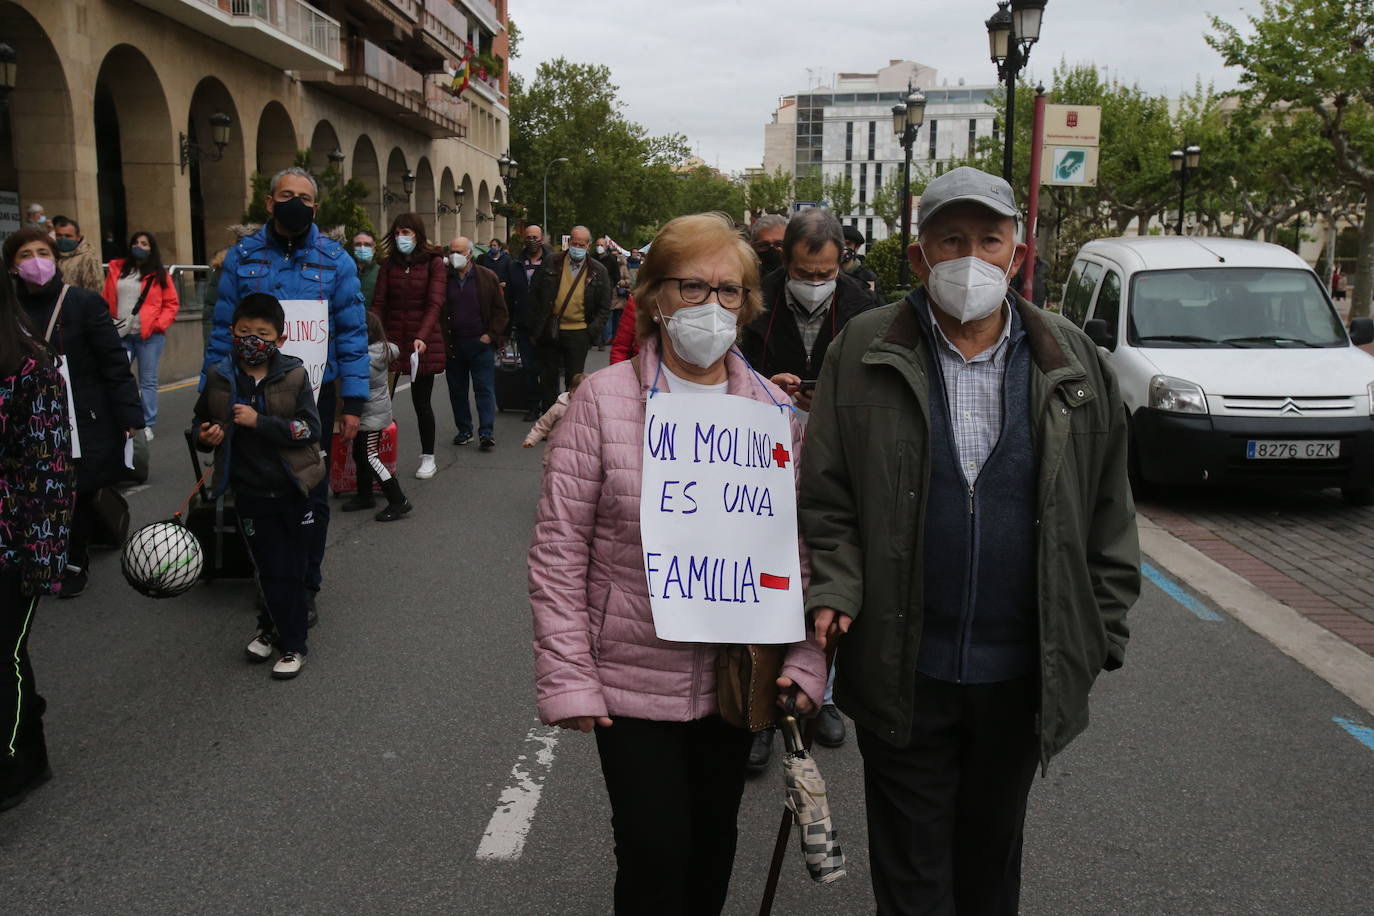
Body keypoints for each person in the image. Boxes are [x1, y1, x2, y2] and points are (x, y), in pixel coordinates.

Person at [798, 166, 1140, 915]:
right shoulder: (859, 348)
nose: (971, 257)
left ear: (1018, 254)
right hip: (902, 667)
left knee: (990, 867)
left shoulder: (1076, 362)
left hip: (1021, 677)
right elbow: (825, 498)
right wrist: (835, 587)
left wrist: (1100, 635)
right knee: (914, 880)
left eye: (989, 239)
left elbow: (1109, 513)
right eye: (951, 239)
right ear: (918, 257)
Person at [529, 212, 825, 915]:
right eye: (692, 287)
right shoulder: (602, 402)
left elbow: (805, 549)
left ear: (748, 305)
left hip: (736, 680)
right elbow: (559, 549)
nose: (712, 306)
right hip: (631, 683)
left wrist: (809, 661)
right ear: (655, 296)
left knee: (713, 845)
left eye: (729, 292)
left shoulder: (774, 414)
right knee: (652, 851)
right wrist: (569, 676)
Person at [737, 208, 876, 764]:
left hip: (836, 454)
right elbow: (725, 368)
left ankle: (825, 690)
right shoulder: (753, 301)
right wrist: (765, 387)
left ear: (841, 258)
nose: (814, 284)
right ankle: (759, 706)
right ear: (785, 260)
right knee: (767, 574)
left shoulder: (867, 305)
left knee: (830, 570)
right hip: (761, 459)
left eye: (824, 274)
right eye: (803, 272)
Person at [203, 166, 368, 624]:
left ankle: (304, 584)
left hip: (311, 401)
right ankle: (270, 581)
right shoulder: (242, 257)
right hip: (250, 396)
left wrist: (352, 404)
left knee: (308, 495)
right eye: (285, 194)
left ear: (315, 207)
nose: (294, 201)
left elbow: (353, 335)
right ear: (270, 203)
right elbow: (221, 333)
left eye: (304, 196)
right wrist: (209, 401)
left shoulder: (337, 260)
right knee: (255, 493)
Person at [7, 228, 142, 599]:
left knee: (75, 488)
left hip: (80, 414)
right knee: (29, 487)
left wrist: (129, 416)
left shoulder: (83, 303)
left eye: (42, 252)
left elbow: (114, 362)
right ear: (12, 266)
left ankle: (72, 558)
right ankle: (34, 555)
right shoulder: (8, 309)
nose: (36, 260)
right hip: (25, 416)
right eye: (25, 254)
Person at [195, 293, 324, 680]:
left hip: (294, 486)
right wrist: (207, 436)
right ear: (232, 332)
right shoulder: (219, 377)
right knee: (266, 567)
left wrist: (261, 422)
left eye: (262, 333)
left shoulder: (295, 375)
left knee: (293, 567)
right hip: (249, 490)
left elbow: (309, 430)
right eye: (244, 331)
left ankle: (295, 644)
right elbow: (200, 425)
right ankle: (268, 628)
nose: (252, 339)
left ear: (279, 340)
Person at [0, 269, 75, 811]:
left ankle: (19, 763)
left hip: (11, 542)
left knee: (4, 655)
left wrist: (42, 562)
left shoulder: (32, 370)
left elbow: (49, 474)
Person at [371, 213, 446, 479]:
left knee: (421, 403)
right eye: (398, 232)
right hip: (391, 341)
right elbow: (379, 303)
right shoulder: (388, 264)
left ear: (418, 234)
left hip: (421, 344)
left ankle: (428, 457)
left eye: (407, 232)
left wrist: (423, 336)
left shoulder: (435, 263)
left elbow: (434, 303)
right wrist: (375, 336)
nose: (402, 237)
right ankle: (374, 457)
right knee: (380, 404)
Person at [103, 231, 180, 439]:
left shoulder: (159, 273)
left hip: (149, 336)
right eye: (136, 242)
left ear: (151, 248)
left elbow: (171, 304)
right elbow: (106, 298)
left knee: (147, 380)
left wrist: (158, 324)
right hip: (121, 335)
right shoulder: (116, 269)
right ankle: (118, 418)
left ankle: (147, 423)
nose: (139, 246)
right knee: (116, 376)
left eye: (144, 244)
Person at [528, 225, 612, 411]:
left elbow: (605, 306)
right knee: (548, 377)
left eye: (582, 244)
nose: (577, 247)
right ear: (568, 242)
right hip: (551, 329)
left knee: (574, 381)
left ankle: (569, 420)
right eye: (574, 243)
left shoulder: (598, 270)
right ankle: (550, 418)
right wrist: (535, 325)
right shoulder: (551, 262)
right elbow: (535, 293)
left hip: (579, 333)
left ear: (588, 245)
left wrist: (592, 331)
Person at [442, 236, 508, 451]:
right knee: (457, 390)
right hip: (454, 344)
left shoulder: (486, 277)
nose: (455, 255)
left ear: (470, 254)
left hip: (480, 344)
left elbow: (500, 311)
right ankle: (464, 430)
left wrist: (490, 335)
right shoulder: (444, 279)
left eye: (459, 252)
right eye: (452, 251)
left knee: (484, 389)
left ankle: (486, 432)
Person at [344, 310, 410, 521]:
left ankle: (398, 500)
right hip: (372, 413)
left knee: (370, 457)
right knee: (360, 455)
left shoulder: (366, 359)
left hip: (372, 416)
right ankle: (365, 496)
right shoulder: (380, 351)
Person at [517, 225, 555, 419]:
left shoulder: (552, 262)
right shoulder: (516, 262)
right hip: (524, 325)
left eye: (535, 237)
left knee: (548, 369)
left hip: (547, 325)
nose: (531, 240)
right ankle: (533, 405)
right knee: (529, 368)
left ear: (542, 239)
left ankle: (550, 407)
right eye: (528, 237)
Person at [521, 371, 584, 466]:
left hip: (576, 453)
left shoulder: (588, 410)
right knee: (551, 472)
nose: (578, 396)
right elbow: (543, 424)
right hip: (554, 449)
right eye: (575, 392)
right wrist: (531, 439)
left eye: (582, 393)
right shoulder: (559, 407)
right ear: (570, 390)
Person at [51, 216, 104, 293]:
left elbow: (94, 288)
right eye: (59, 235)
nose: (63, 239)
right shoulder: (52, 255)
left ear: (78, 237)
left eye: (68, 236)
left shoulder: (88, 258)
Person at [841, 225, 884, 302]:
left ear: (857, 247)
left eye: (848, 244)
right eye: (839, 244)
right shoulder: (826, 274)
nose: (843, 248)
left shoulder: (868, 277)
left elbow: (877, 306)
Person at [352, 230, 381, 307]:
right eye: (358, 244)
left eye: (367, 245)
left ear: (374, 249)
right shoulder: (345, 272)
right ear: (353, 248)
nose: (362, 248)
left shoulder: (381, 273)